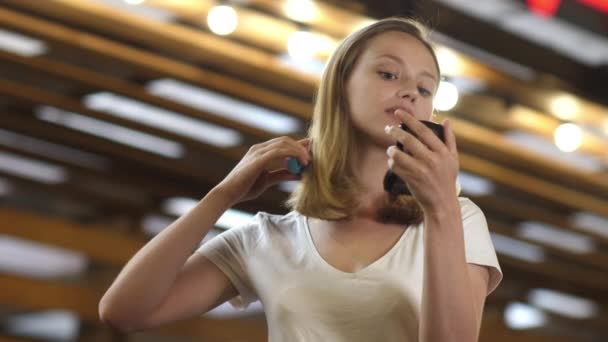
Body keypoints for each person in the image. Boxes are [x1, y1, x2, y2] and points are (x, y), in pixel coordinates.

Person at [99, 17, 502, 342]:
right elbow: (124, 312)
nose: (410, 93)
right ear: (340, 86)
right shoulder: (269, 238)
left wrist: (441, 207)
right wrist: (223, 194)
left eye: (425, 87)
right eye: (388, 74)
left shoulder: (459, 220)